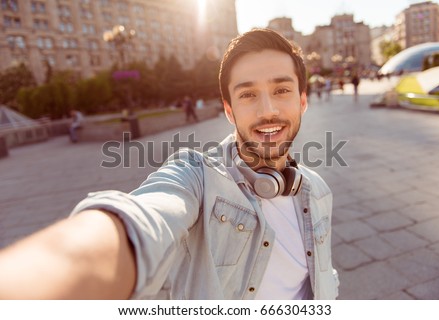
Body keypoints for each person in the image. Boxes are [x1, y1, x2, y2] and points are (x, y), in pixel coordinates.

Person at [0, 29, 338, 300]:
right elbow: (146, 217)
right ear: (229, 110)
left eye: (281, 90)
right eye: (248, 94)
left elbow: (321, 277)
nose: (268, 110)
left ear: (303, 100)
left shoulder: (318, 192)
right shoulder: (197, 176)